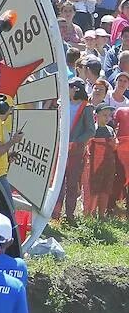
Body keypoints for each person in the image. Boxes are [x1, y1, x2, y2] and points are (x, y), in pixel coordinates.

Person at [57, 78, 95, 220]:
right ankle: (55, 212)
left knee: (72, 182)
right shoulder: (62, 104)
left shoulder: (86, 107)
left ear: (75, 89)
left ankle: (69, 214)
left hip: (75, 151)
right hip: (60, 148)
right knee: (58, 181)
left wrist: (76, 141)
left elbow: (91, 130)